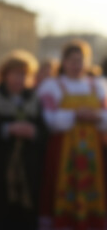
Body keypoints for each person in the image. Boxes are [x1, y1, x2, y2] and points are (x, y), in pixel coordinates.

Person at [0, 50, 47, 230]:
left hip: (27, 172)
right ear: (5, 74)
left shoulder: (34, 99)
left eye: (23, 74)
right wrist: (7, 129)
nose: (19, 79)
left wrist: (33, 132)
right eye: (14, 74)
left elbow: (44, 131)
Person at [38, 40, 107, 230]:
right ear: (64, 62)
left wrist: (96, 116)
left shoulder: (99, 86)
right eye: (72, 61)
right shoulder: (51, 86)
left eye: (81, 60)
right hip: (63, 152)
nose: (77, 65)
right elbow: (49, 120)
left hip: (93, 153)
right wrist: (75, 114)